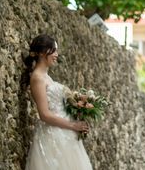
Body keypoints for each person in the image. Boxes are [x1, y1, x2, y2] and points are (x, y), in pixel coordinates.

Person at [23, 34, 93, 170]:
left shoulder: (47, 77)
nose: (56, 54)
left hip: (64, 133)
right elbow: (44, 114)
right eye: (53, 51)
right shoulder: (37, 78)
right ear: (42, 53)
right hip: (52, 136)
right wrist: (73, 125)